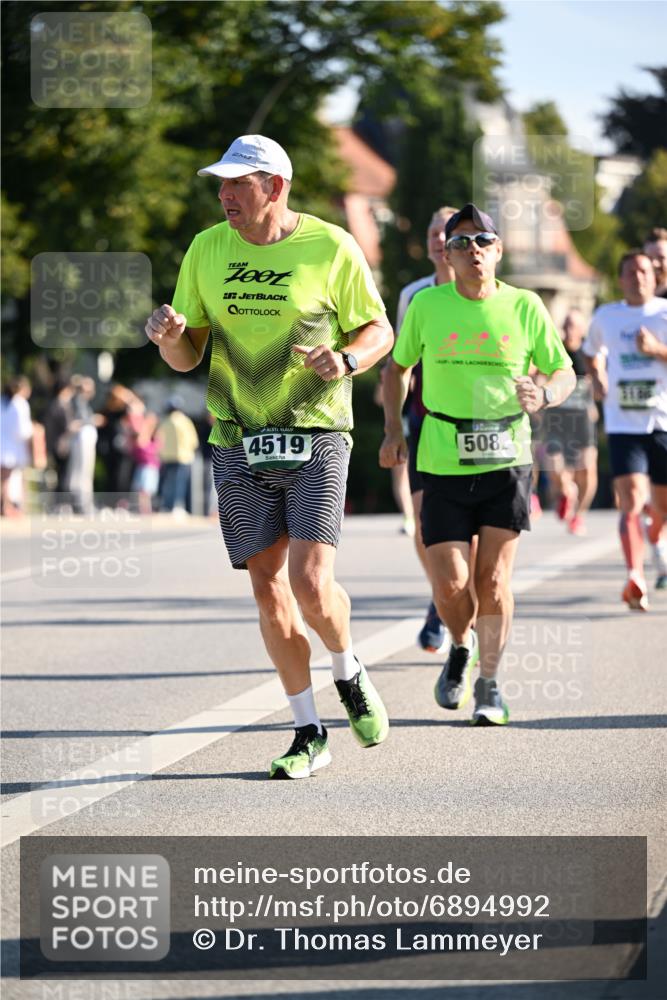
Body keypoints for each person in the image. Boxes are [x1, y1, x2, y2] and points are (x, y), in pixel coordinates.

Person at [145, 134, 392, 777]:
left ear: (275, 188)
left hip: (315, 431)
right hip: (237, 437)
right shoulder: (206, 248)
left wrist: (346, 359)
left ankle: (347, 667)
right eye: (220, 184)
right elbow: (187, 354)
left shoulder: (331, 245)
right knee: (268, 590)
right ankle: (308, 731)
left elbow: (378, 328)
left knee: (313, 584)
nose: (224, 195)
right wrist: (169, 338)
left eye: (237, 184)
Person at [380, 203, 574, 725]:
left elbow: (563, 371)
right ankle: (460, 645)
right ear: (446, 252)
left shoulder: (526, 305)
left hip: (506, 455)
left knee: (491, 581)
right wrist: (395, 430)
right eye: (460, 243)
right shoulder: (426, 304)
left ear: (499, 250)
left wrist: (546, 394)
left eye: (482, 241)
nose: (473, 252)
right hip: (441, 455)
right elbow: (396, 370)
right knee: (449, 583)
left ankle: (489, 684)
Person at [390, 206, 459, 652]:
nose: (438, 239)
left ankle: (451, 603)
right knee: (423, 526)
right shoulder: (413, 294)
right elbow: (400, 362)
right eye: (433, 231)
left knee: (466, 534)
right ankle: (441, 597)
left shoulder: (491, 296)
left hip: (476, 426)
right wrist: (393, 422)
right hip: (424, 421)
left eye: (446, 233)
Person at [583, 249, 667, 610]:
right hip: (623, 423)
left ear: (656, 277)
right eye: (630, 271)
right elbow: (590, 352)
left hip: (663, 420)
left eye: (644, 271)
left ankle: (656, 528)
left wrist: (656, 350)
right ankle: (634, 575)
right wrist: (597, 373)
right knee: (630, 501)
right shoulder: (607, 315)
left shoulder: (664, 314)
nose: (638, 277)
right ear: (620, 279)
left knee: (661, 509)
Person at [538, 308, 598, 535]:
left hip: (582, 419)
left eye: (573, 325)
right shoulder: (555, 349)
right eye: (566, 325)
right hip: (556, 418)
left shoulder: (588, 352)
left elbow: (595, 378)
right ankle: (566, 491)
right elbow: (541, 373)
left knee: (587, 470)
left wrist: (594, 402)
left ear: (583, 330)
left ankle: (579, 515)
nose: (568, 330)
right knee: (554, 466)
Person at [157, 397, 199, 514]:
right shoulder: (185, 421)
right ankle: (178, 506)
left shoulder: (164, 422)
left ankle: (167, 506)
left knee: (168, 483)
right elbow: (193, 441)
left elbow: (159, 439)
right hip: (183, 457)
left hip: (166, 457)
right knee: (180, 483)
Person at [0, 375, 33, 517]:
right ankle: (10, 507)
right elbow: (23, 430)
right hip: (14, 447)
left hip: (3, 444)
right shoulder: (20, 403)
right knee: (12, 479)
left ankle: (5, 506)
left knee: (4, 480)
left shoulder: (3, 402)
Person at [67, 375, 99, 515]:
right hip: (82, 438)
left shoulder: (83, 402)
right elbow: (78, 422)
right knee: (82, 471)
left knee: (84, 471)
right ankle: (81, 503)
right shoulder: (77, 401)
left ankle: (83, 502)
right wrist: (92, 421)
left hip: (85, 438)